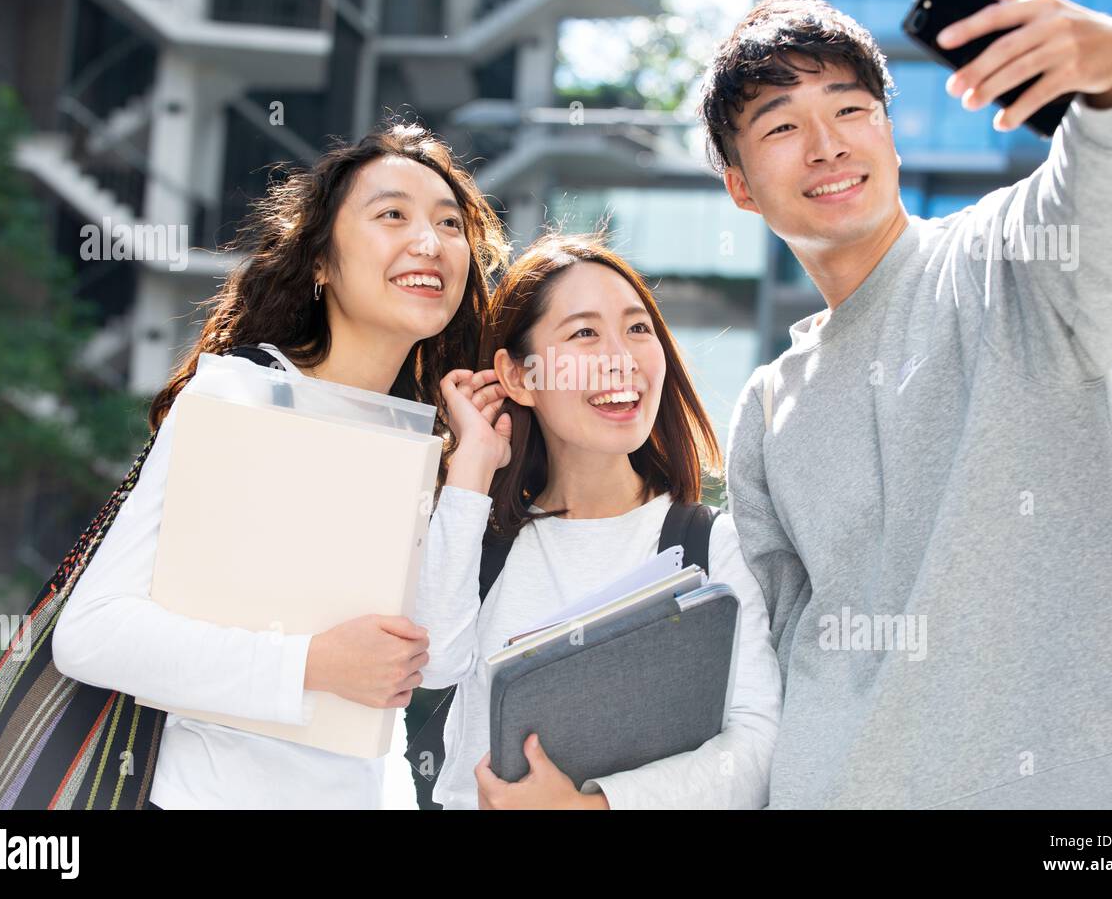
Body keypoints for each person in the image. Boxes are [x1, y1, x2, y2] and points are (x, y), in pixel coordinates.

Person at [702, 0, 1112, 808]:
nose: (827, 144)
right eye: (781, 127)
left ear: (887, 129)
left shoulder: (1006, 260)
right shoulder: (768, 408)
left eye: (850, 110)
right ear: (741, 185)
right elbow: (769, 670)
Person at [51, 121, 510, 808]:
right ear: (320, 261)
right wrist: (312, 664)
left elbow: (438, 658)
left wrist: (471, 467)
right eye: (393, 214)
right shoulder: (241, 394)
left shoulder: (421, 437)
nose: (431, 242)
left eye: (450, 225)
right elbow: (91, 635)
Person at [412, 233, 783, 809]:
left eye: (638, 329)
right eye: (584, 333)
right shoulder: (485, 542)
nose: (621, 357)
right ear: (519, 377)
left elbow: (755, 748)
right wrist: (473, 466)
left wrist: (592, 807)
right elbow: (432, 662)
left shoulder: (710, 544)